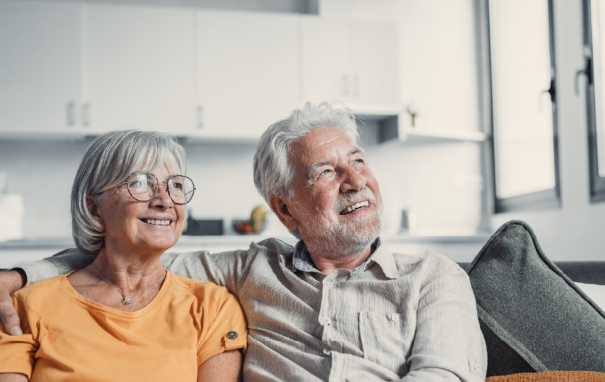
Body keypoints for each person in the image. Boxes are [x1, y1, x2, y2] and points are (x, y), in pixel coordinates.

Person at [0, 102, 486, 381]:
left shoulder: (433, 278)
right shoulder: (247, 271)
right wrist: (19, 277)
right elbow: (127, 259)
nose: (355, 181)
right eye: (326, 172)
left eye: (358, 162)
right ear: (284, 208)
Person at [0, 131, 247, 381]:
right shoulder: (23, 306)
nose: (164, 200)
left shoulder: (213, 307)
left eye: (176, 185)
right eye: (140, 182)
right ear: (94, 208)